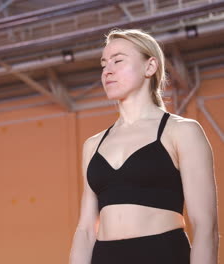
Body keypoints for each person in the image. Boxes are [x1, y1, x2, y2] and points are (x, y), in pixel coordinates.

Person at [69, 28, 218, 264]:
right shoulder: (93, 145)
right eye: (104, 63)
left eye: (118, 60)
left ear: (150, 67)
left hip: (161, 254)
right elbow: (86, 230)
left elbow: (205, 227)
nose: (108, 70)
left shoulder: (182, 131)